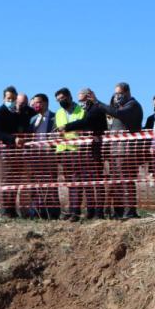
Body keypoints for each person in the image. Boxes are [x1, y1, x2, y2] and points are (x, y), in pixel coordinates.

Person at [61, 87, 108, 219]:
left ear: (89, 97)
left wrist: (67, 126)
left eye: (83, 100)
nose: (81, 103)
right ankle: (91, 210)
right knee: (87, 181)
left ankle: (99, 212)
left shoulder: (96, 109)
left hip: (95, 151)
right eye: (79, 100)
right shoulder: (86, 110)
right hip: (86, 151)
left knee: (96, 181)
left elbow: (86, 122)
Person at [103, 82, 144, 219]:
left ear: (127, 92)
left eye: (119, 94)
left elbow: (119, 113)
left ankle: (129, 212)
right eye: (115, 94)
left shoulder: (132, 106)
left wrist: (98, 103)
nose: (117, 96)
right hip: (115, 151)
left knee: (126, 181)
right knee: (116, 182)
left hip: (126, 151)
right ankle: (118, 212)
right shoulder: (117, 110)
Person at [0, 86, 26, 218]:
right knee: (7, 180)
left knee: (15, 180)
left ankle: (12, 210)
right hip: (6, 151)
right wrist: (13, 139)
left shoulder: (17, 113)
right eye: (8, 98)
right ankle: (5, 210)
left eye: (13, 98)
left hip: (18, 151)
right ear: (4, 98)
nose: (10, 100)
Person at [26, 93, 61, 219]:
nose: (36, 105)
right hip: (35, 156)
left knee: (51, 184)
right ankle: (36, 211)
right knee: (36, 184)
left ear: (46, 103)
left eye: (39, 102)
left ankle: (53, 212)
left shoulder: (54, 117)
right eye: (34, 102)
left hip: (49, 156)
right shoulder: (32, 119)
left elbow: (57, 136)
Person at [54, 87, 86, 221]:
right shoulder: (58, 113)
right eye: (59, 100)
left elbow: (82, 127)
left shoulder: (81, 111)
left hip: (75, 150)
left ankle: (75, 212)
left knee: (76, 181)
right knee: (68, 182)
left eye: (63, 98)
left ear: (70, 97)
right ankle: (71, 209)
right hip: (63, 150)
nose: (61, 101)